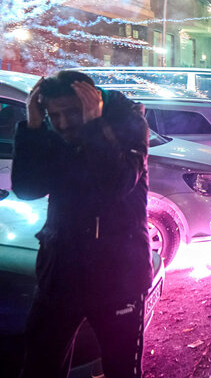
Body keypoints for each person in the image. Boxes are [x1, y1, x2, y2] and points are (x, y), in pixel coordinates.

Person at [12, 71, 152, 378]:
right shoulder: (51, 133)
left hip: (118, 275)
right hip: (60, 270)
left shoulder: (128, 125)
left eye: (72, 112)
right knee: (39, 365)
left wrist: (93, 126)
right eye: (54, 115)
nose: (62, 123)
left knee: (121, 369)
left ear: (93, 102)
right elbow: (27, 187)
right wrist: (33, 127)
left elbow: (115, 184)